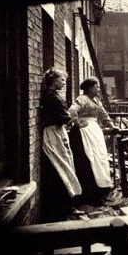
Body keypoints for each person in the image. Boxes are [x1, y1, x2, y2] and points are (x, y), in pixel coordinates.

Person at [40, 68, 82, 221]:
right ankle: (61, 207)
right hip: (53, 134)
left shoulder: (53, 95)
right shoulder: (51, 96)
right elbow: (63, 117)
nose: (64, 83)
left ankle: (67, 204)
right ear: (53, 80)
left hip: (58, 131)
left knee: (66, 165)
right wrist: (72, 119)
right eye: (62, 80)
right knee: (60, 166)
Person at [68, 77, 117, 204]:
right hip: (83, 133)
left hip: (94, 132)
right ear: (89, 88)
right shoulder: (82, 99)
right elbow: (72, 111)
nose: (98, 89)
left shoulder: (96, 100)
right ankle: (88, 194)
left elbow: (103, 113)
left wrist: (111, 125)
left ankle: (101, 190)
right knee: (88, 159)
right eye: (96, 87)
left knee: (99, 158)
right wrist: (77, 123)